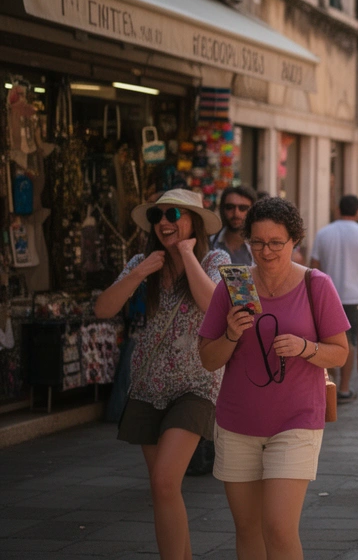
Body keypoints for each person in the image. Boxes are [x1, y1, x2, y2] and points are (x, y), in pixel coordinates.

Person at [198, 197, 350, 560]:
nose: (266, 251)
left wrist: (304, 347)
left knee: (279, 528)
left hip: (297, 421)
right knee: (248, 530)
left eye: (275, 243)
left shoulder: (317, 285)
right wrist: (232, 335)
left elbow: (341, 352)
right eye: (258, 242)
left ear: (294, 241)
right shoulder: (233, 287)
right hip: (238, 423)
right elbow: (207, 359)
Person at [94, 189, 230, 560]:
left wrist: (187, 255)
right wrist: (138, 272)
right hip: (148, 384)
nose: (165, 223)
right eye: (158, 217)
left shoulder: (216, 258)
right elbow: (103, 308)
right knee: (163, 490)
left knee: (165, 480)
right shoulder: (144, 261)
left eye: (173, 214)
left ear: (194, 222)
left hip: (197, 384)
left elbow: (215, 306)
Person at [310, 195, 358, 403]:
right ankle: (344, 387)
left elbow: (314, 266)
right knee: (349, 344)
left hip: (328, 296)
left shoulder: (323, 233)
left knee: (328, 341)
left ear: (338, 210)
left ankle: (330, 384)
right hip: (356, 297)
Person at [212, 185, 257, 265]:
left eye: (243, 208)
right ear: (223, 209)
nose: (236, 213)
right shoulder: (209, 243)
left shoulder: (259, 246)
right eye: (230, 207)